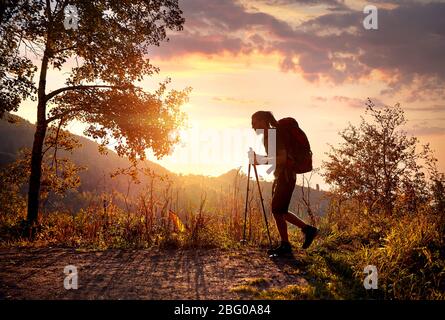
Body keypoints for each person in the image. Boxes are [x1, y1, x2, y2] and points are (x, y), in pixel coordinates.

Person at [249, 111, 318, 256]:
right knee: (280, 210)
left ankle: (287, 244)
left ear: (263, 121)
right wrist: (259, 159)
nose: (253, 126)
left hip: (285, 176)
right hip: (282, 176)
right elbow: (275, 158)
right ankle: (306, 231)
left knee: (277, 210)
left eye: (254, 122)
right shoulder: (269, 137)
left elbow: (281, 158)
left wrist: (259, 160)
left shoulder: (273, 135)